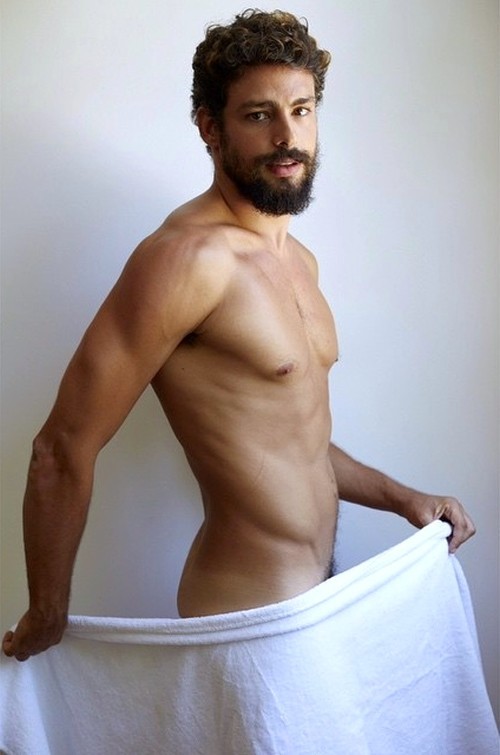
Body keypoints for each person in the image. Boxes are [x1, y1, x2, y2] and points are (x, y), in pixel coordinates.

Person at [2, 9, 475, 662]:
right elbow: (61, 446)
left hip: (322, 600)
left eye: (301, 111)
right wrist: (47, 609)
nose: (288, 136)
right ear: (209, 126)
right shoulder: (184, 260)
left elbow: (293, 439)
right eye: (259, 115)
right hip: (245, 620)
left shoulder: (299, 261)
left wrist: (404, 499)